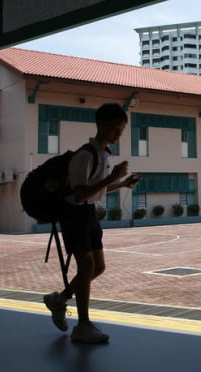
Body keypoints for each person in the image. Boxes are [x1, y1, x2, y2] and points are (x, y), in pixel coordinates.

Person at [43, 103, 140, 343]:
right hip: (74, 214)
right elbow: (78, 194)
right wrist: (111, 177)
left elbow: (98, 189)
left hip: (89, 214)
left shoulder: (104, 155)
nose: (118, 134)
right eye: (115, 129)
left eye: (122, 130)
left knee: (98, 267)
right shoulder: (84, 155)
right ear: (100, 125)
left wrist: (121, 183)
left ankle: (59, 299)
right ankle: (83, 325)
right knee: (86, 267)